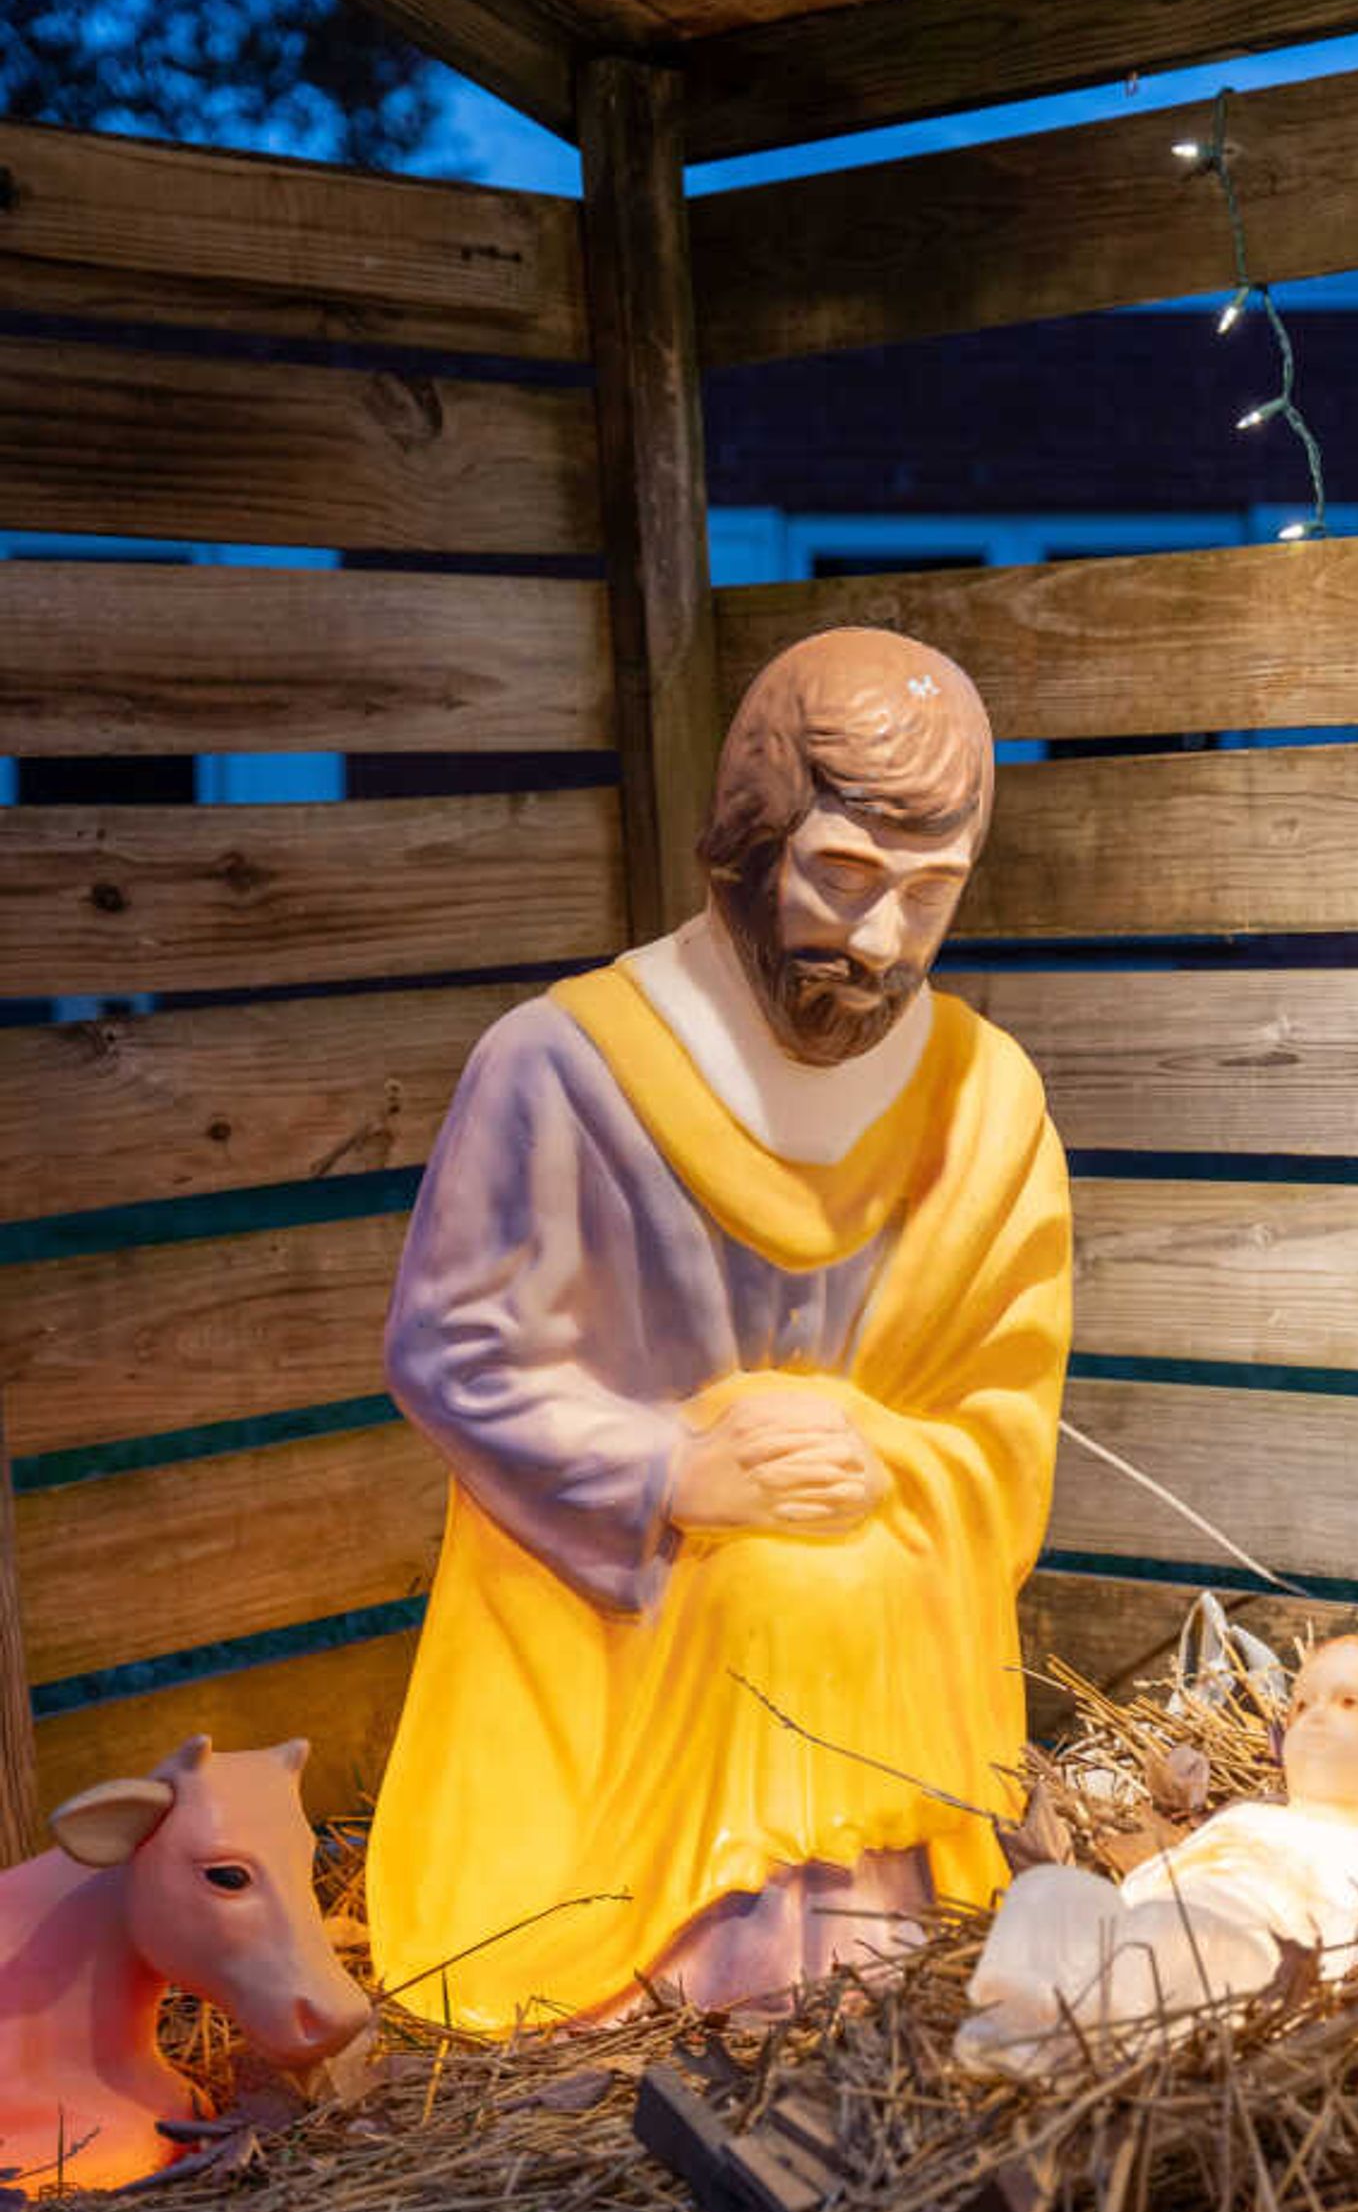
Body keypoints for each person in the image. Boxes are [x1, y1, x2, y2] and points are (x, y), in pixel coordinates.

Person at [365, 629, 1073, 2030]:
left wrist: (888, 1461)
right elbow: (456, 1352)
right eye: (843, 878)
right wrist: (673, 1476)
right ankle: (681, 1969)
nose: (881, 943)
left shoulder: (985, 1102)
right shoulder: (564, 1068)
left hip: (884, 1660)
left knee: (816, 1586)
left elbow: (1008, 1407)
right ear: (746, 850)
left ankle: (875, 1959)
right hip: (604, 1684)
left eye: (929, 896)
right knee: (761, 1586)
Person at [955, 1635, 1358, 2077]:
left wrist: (1302, 2007)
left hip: (1249, 1975)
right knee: (1047, 1891)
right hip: (1149, 1933)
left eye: (1349, 1702)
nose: (1316, 1715)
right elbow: (1160, 1875)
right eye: (1301, 1704)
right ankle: (1027, 2027)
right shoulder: (1247, 1816)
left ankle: (1081, 2037)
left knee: (1174, 1938)